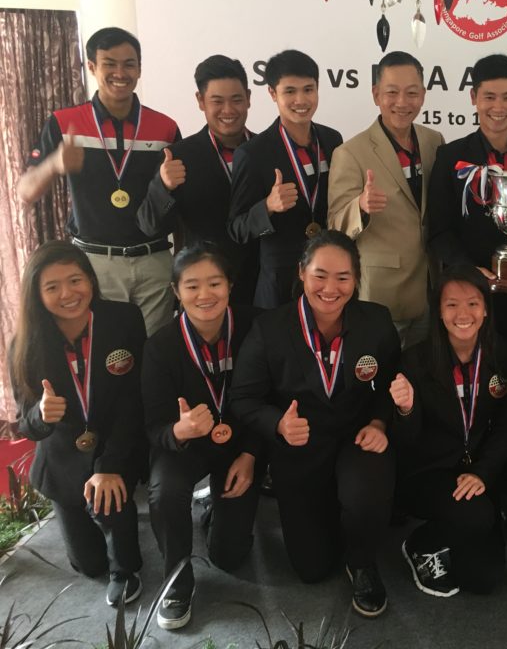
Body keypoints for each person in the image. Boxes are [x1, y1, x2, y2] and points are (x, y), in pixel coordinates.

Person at [229, 231, 400, 617]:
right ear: (301, 273)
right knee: (312, 569)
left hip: (358, 437)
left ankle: (362, 561)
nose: (330, 288)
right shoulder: (270, 328)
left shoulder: (376, 321)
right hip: (300, 446)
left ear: (356, 279)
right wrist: (278, 424)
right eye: (320, 275)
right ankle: (338, 514)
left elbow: (393, 382)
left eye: (343, 277)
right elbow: (243, 398)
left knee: (365, 494)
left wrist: (379, 422)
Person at [17, 27, 181, 335]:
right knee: (107, 349)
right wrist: (54, 164)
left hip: (154, 259)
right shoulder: (64, 122)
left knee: (155, 350)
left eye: (129, 64)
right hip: (95, 262)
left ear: (139, 69)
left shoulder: (165, 127)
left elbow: (178, 201)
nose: (120, 73)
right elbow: (26, 191)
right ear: (92, 67)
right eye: (110, 63)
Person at [10, 241, 146, 606]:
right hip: (62, 460)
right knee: (88, 566)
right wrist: (42, 415)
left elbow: (135, 400)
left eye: (75, 280)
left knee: (113, 515)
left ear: (90, 279)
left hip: (114, 448)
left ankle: (125, 568)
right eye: (52, 287)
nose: (68, 294)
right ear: (37, 294)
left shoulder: (123, 319)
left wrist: (110, 465)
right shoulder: (25, 344)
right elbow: (25, 424)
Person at [142, 244, 262, 630]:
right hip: (185, 447)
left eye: (215, 283)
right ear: (176, 291)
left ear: (230, 285)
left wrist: (252, 455)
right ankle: (177, 581)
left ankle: (215, 509)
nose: (205, 294)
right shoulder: (160, 346)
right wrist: (178, 430)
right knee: (165, 493)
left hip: (239, 445)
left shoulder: (256, 326)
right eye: (192, 286)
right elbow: (152, 425)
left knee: (230, 556)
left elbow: (272, 399)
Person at [390, 265, 507, 597]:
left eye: (473, 303)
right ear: (439, 311)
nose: (463, 314)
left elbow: (506, 427)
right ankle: (421, 543)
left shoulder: (502, 355)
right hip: (429, 473)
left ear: (486, 309)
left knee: (483, 579)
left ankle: (466, 524)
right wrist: (406, 410)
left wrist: (483, 473)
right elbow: (405, 442)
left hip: (478, 472)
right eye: (451, 305)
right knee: (476, 516)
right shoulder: (415, 361)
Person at [427, 53, 507, 355]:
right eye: (489, 97)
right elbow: (439, 231)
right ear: (473, 97)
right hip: (471, 296)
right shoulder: (450, 157)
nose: (498, 107)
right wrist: (469, 270)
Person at [328, 51, 445, 347]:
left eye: (412, 93)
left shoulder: (434, 141)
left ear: (423, 95)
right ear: (376, 94)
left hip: (431, 287)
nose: (402, 102)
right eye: (392, 92)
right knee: (381, 370)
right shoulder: (350, 153)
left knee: (422, 370)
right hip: (382, 292)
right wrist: (360, 207)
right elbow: (334, 225)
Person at [137, 55, 259, 305]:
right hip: (204, 289)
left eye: (236, 99)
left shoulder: (266, 150)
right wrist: (164, 187)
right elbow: (150, 226)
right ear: (201, 101)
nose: (228, 110)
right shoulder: (178, 156)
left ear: (248, 98)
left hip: (260, 286)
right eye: (217, 101)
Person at [228, 49, 343, 308]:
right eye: (290, 91)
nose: (301, 100)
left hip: (328, 277)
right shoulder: (252, 153)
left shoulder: (332, 140)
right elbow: (236, 228)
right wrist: (267, 207)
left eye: (308, 89)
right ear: (272, 93)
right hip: (279, 284)